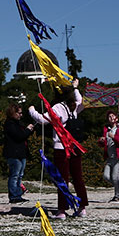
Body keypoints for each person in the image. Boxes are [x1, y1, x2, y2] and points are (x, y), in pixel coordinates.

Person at [28, 79, 89, 219]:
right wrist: (75, 88)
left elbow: (43, 120)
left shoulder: (58, 108)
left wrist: (32, 111)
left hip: (61, 147)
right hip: (75, 146)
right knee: (78, 177)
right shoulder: (76, 106)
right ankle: (82, 208)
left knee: (62, 179)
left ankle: (62, 210)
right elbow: (80, 99)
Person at [4, 103, 35, 204]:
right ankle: (13, 196)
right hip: (13, 153)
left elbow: (23, 135)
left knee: (20, 175)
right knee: (14, 175)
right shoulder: (9, 124)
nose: (21, 115)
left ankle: (18, 194)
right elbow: (18, 136)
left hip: (21, 153)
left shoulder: (18, 124)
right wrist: (27, 130)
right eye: (19, 113)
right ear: (13, 113)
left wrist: (29, 130)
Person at [99, 110, 119, 202]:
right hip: (109, 157)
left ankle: (117, 196)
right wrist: (101, 141)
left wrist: (114, 137)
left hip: (118, 157)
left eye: (113, 116)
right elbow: (104, 144)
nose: (111, 117)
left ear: (117, 118)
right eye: (109, 116)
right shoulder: (106, 129)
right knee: (106, 176)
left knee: (115, 177)